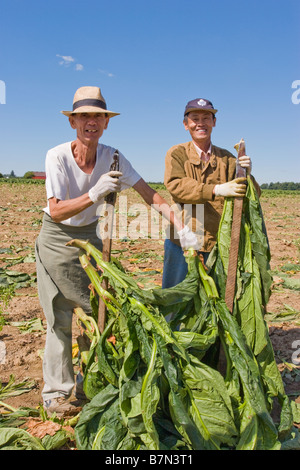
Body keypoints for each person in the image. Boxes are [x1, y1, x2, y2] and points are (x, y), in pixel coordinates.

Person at [35, 86, 198, 415]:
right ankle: (56, 393)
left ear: (106, 123)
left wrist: (181, 226)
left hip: (91, 239)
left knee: (98, 312)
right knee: (59, 316)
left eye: (97, 116)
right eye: (83, 116)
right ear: (73, 122)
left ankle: (89, 377)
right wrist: (95, 193)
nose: (90, 122)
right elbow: (55, 210)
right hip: (55, 237)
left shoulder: (114, 156)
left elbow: (148, 194)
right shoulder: (57, 156)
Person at [162, 98, 261, 289]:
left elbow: (252, 196)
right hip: (182, 241)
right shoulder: (177, 153)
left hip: (218, 243)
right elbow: (176, 186)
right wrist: (216, 189)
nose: (201, 123)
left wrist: (248, 175)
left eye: (206, 118)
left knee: (215, 300)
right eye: (195, 118)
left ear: (214, 122)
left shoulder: (228, 159)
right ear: (186, 124)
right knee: (175, 300)